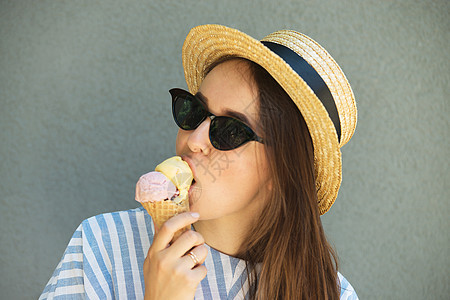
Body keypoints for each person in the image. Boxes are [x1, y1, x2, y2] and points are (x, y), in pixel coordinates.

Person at [40, 24, 358, 299]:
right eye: (193, 111)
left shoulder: (332, 294)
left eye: (230, 130)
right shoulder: (102, 245)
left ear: (282, 171)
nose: (193, 140)